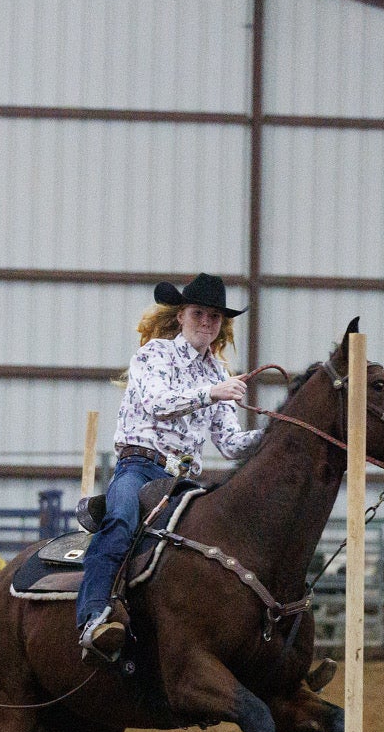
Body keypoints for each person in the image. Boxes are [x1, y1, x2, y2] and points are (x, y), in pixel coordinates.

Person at [75, 273, 262, 663]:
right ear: (181, 316)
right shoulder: (153, 355)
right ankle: (93, 617)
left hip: (184, 483)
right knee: (121, 520)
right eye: (199, 313)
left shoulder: (218, 375)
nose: (207, 322)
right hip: (139, 467)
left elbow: (229, 444)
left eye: (214, 317)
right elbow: (159, 403)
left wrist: (276, 434)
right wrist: (213, 393)